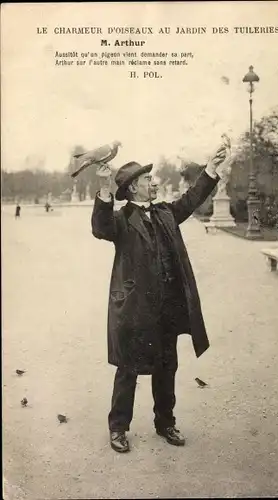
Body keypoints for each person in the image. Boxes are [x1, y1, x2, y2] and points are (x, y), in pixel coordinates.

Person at [91, 144, 227, 453]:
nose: (154, 183)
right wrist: (103, 188)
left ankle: (165, 422)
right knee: (128, 368)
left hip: (167, 307)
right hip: (135, 309)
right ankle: (118, 428)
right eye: (148, 179)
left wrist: (211, 167)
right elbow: (100, 228)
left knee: (167, 365)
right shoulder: (122, 219)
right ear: (133, 188)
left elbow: (192, 199)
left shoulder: (166, 212)